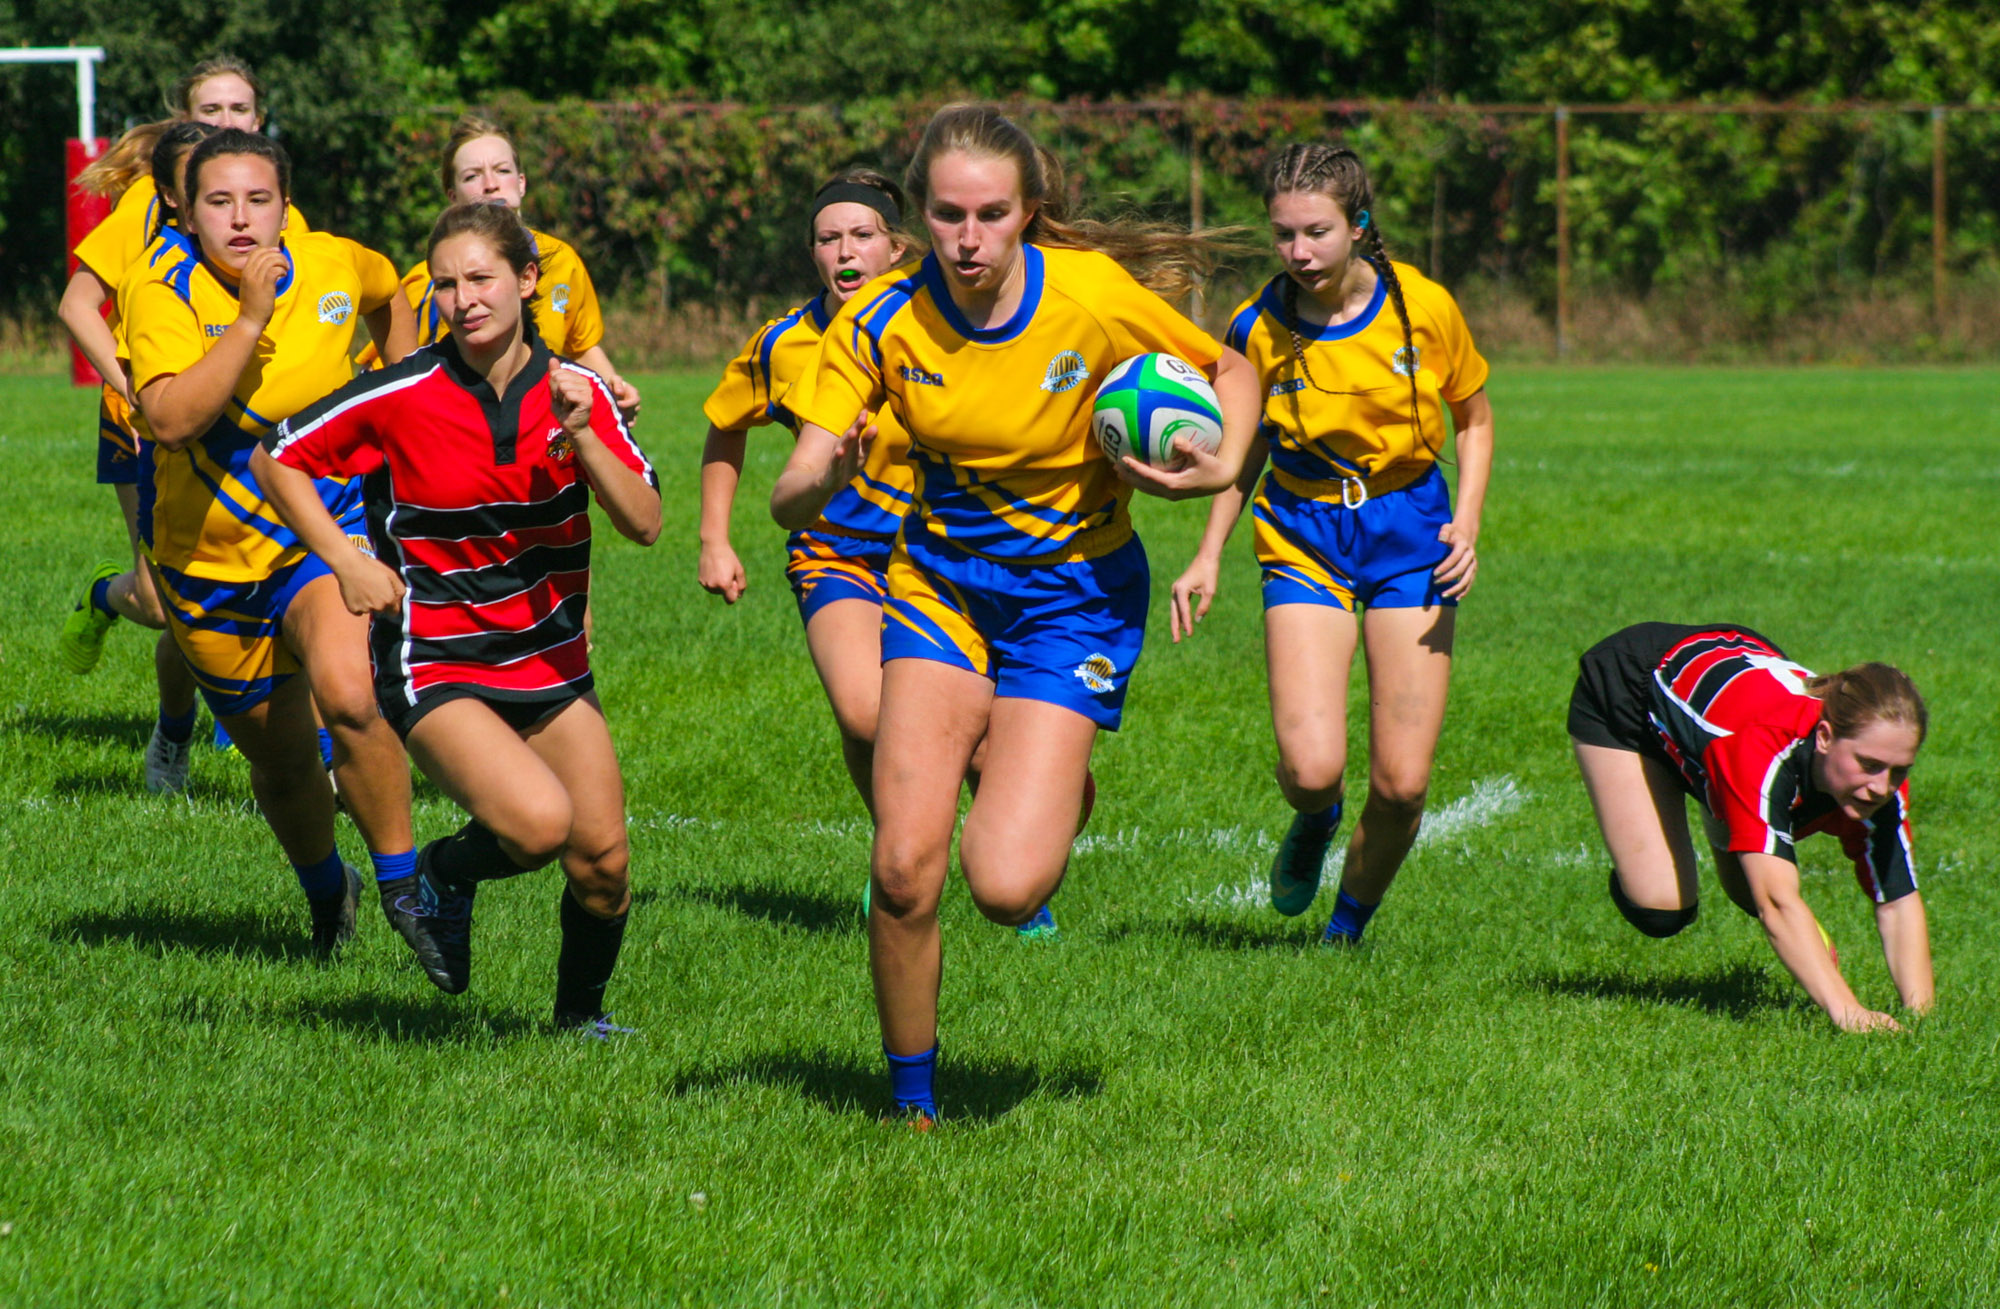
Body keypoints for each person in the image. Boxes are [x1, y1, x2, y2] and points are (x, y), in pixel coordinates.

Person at [773, 103, 1262, 1123]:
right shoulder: (880, 320)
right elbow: (791, 490)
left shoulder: (1088, 296)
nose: (968, 238)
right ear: (919, 218)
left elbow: (1233, 367)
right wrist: (826, 477)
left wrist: (1217, 466)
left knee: (1002, 886)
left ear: (1027, 210)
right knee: (902, 867)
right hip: (938, 590)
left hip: (1073, 600)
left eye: (991, 214)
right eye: (948, 215)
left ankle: (1049, 781)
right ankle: (911, 1102)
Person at [255, 202, 661, 1030]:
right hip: (436, 655)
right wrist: (346, 561)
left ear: (527, 279)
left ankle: (578, 1024)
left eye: (480, 278)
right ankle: (438, 874)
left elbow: (646, 522)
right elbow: (278, 458)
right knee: (540, 825)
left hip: (549, 656)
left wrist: (585, 437)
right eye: (445, 283)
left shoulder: (579, 393)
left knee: (604, 865)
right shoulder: (402, 390)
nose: (463, 298)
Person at [1167, 143, 1494, 946]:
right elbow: (1241, 451)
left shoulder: (1424, 307)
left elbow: (1475, 418)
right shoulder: (1256, 327)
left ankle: (1344, 930)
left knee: (1404, 784)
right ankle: (1316, 817)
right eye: (1284, 234)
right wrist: (1207, 554)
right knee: (1312, 771)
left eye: (1316, 232)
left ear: (1358, 225)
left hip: (1411, 533)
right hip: (1305, 533)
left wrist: (1467, 523)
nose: (1299, 252)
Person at [125, 129, 417, 954]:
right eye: (219, 201)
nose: (241, 218)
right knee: (283, 761)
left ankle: (410, 893)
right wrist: (251, 316)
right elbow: (172, 420)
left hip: (321, 533)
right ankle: (330, 894)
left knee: (351, 695)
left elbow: (389, 289)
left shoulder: (331, 261)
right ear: (185, 211)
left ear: (286, 207)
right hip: (206, 566)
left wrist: (404, 391)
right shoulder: (160, 285)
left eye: (259, 199)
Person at [57, 55, 309, 789]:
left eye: (240, 110)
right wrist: (135, 390)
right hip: (152, 420)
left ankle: (260, 723)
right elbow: (77, 304)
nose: (227, 122)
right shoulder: (148, 201)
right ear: (182, 120)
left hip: (248, 424)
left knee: (275, 576)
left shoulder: (274, 205)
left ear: (260, 119)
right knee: (165, 602)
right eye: (210, 110)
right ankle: (110, 603)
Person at [1568, 623, 1933, 1033]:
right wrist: (1849, 1013)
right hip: (1630, 687)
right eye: (1869, 765)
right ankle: (1690, 787)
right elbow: (1776, 904)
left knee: (1748, 889)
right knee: (1661, 908)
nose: (1882, 786)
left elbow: (1898, 900)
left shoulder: (1881, 779)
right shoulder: (1763, 750)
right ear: (1825, 737)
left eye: (1899, 770)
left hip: (1728, 714)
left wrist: (1921, 1019)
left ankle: (1720, 783)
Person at [368, 115, 639, 418]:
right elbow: (384, 373)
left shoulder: (562, 260)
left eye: (502, 170)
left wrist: (612, 393)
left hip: (541, 434)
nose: (490, 185)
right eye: (472, 176)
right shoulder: (433, 281)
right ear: (453, 197)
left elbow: (582, 346)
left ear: (521, 183)